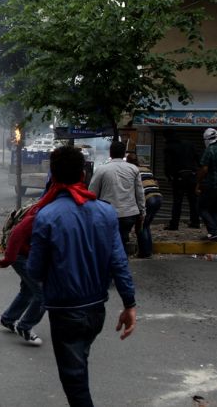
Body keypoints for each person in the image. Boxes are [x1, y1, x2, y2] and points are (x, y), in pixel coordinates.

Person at [27, 145, 137, 407]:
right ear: (83, 175)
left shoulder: (47, 215)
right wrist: (129, 303)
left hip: (66, 311)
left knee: (74, 383)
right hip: (96, 311)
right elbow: (119, 262)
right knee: (79, 367)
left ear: (52, 176)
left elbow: (34, 269)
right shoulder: (106, 211)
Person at [0, 203, 45, 346]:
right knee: (43, 294)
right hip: (20, 257)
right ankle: (25, 327)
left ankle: (8, 319)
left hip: (28, 256)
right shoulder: (41, 213)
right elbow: (16, 234)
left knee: (28, 290)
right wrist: (7, 260)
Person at [89, 141, 145, 252]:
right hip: (129, 213)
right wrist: (142, 211)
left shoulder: (101, 169)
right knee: (122, 240)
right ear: (124, 154)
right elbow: (140, 192)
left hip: (107, 214)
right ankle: (121, 262)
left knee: (108, 242)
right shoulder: (133, 169)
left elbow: (92, 193)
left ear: (110, 153)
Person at [126, 153, 163, 258]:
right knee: (146, 225)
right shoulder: (146, 169)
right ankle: (148, 250)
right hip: (158, 197)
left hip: (148, 199)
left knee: (140, 226)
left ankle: (144, 252)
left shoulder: (131, 170)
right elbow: (156, 182)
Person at [163, 129, 200, 230]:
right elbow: (198, 159)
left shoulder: (169, 147)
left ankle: (174, 224)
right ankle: (195, 222)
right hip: (192, 175)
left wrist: (168, 176)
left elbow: (167, 164)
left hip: (179, 176)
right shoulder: (190, 144)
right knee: (193, 200)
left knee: (177, 201)